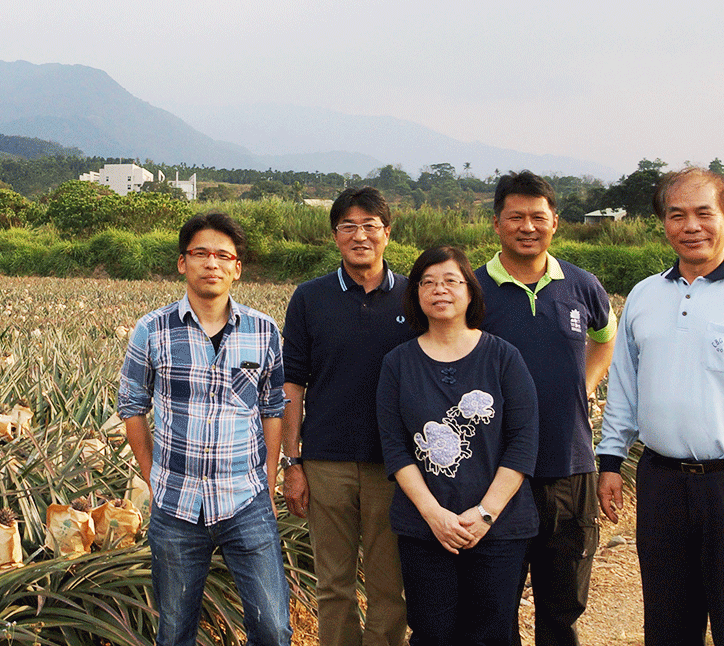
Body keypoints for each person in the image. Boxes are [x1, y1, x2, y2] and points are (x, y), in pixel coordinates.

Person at [596, 167, 724, 646]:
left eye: (704, 213)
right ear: (663, 224)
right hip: (662, 482)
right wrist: (609, 462)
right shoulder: (645, 296)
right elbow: (624, 389)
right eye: (677, 215)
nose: (691, 226)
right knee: (667, 625)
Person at [118, 212, 292, 646]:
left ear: (237, 267)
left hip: (246, 499)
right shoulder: (152, 329)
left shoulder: (263, 330)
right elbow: (132, 406)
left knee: (272, 628)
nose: (211, 263)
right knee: (175, 632)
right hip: (176, 504)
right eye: (200, 254)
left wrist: (268, 483)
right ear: (183, 263)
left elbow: (273, 409)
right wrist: (151, 475)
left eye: (222, 255)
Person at [474, 170, 616, 646]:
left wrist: (587, 382)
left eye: (538, 216)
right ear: (496, 223)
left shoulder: (582, 285)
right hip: (494, 473)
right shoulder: (473, 290)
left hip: (568, 465)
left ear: (555, 221)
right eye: (516, 216)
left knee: (563, 605)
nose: (527, 226)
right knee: (495, 605)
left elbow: (605, 337)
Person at [377, 246, 539, 646]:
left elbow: (524, 439)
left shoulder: (503, 357)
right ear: (415, 294)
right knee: (433, 632)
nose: (439, 290)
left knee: (493, 632)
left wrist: (484, 514)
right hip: (425, 527)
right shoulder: (397, 363)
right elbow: (395, 448)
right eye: (428, 282)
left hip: (499, 526)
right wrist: (434, 515)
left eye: (451, 281)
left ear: (471, 291)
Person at [281, 186, 412, 646]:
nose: (360, 236)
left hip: (395, 466)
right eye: (349, 226)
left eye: (370, 226)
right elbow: (292, 385)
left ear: (387, 233)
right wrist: (291, 463)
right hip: (326, 462)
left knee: (388, 586)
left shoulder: (414, 297)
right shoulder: (309, 298)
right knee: (333, 585)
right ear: (335, 236)